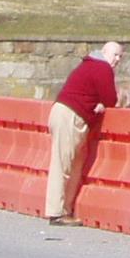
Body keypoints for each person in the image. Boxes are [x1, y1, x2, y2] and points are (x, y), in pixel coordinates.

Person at [45, 41, 122, 224]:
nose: (118, 60)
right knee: (63, 163)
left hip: (65, 112)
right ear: (104, 53)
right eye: (115, 55)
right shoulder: (102, 68)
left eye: (120, 56)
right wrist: (103, 103)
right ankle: (56, 212)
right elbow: (111, 98)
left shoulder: (89, 64)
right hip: (71, 116)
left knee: (74, 163)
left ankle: (65, 210)